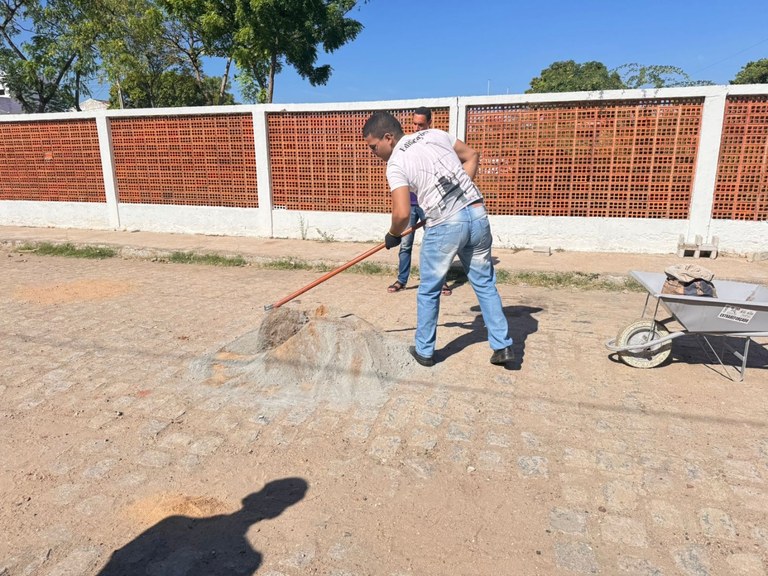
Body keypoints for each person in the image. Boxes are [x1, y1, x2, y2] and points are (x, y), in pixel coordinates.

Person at [362, 111, 515, 368]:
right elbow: (472, 155)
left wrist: (393, 234)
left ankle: (424, 350)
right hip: (477, 213)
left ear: (388, 138)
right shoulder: (435, 134)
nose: (373, 153)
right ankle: (502, 346)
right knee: (485, 283)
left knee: (430, 290)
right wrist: (458, 194)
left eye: (374, 147)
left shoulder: (396, 162)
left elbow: (401, 213)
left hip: (445, 224)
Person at [387, 107, 452, 297]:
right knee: (405, 244)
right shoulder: (406, 145)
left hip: (429, 203)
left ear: (430, 123)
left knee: (435, 245)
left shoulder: (434, 142)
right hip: (410, 204)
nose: (416, 128)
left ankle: (441, 281)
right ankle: (402, 279)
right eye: (414, 124)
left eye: (421, 125)